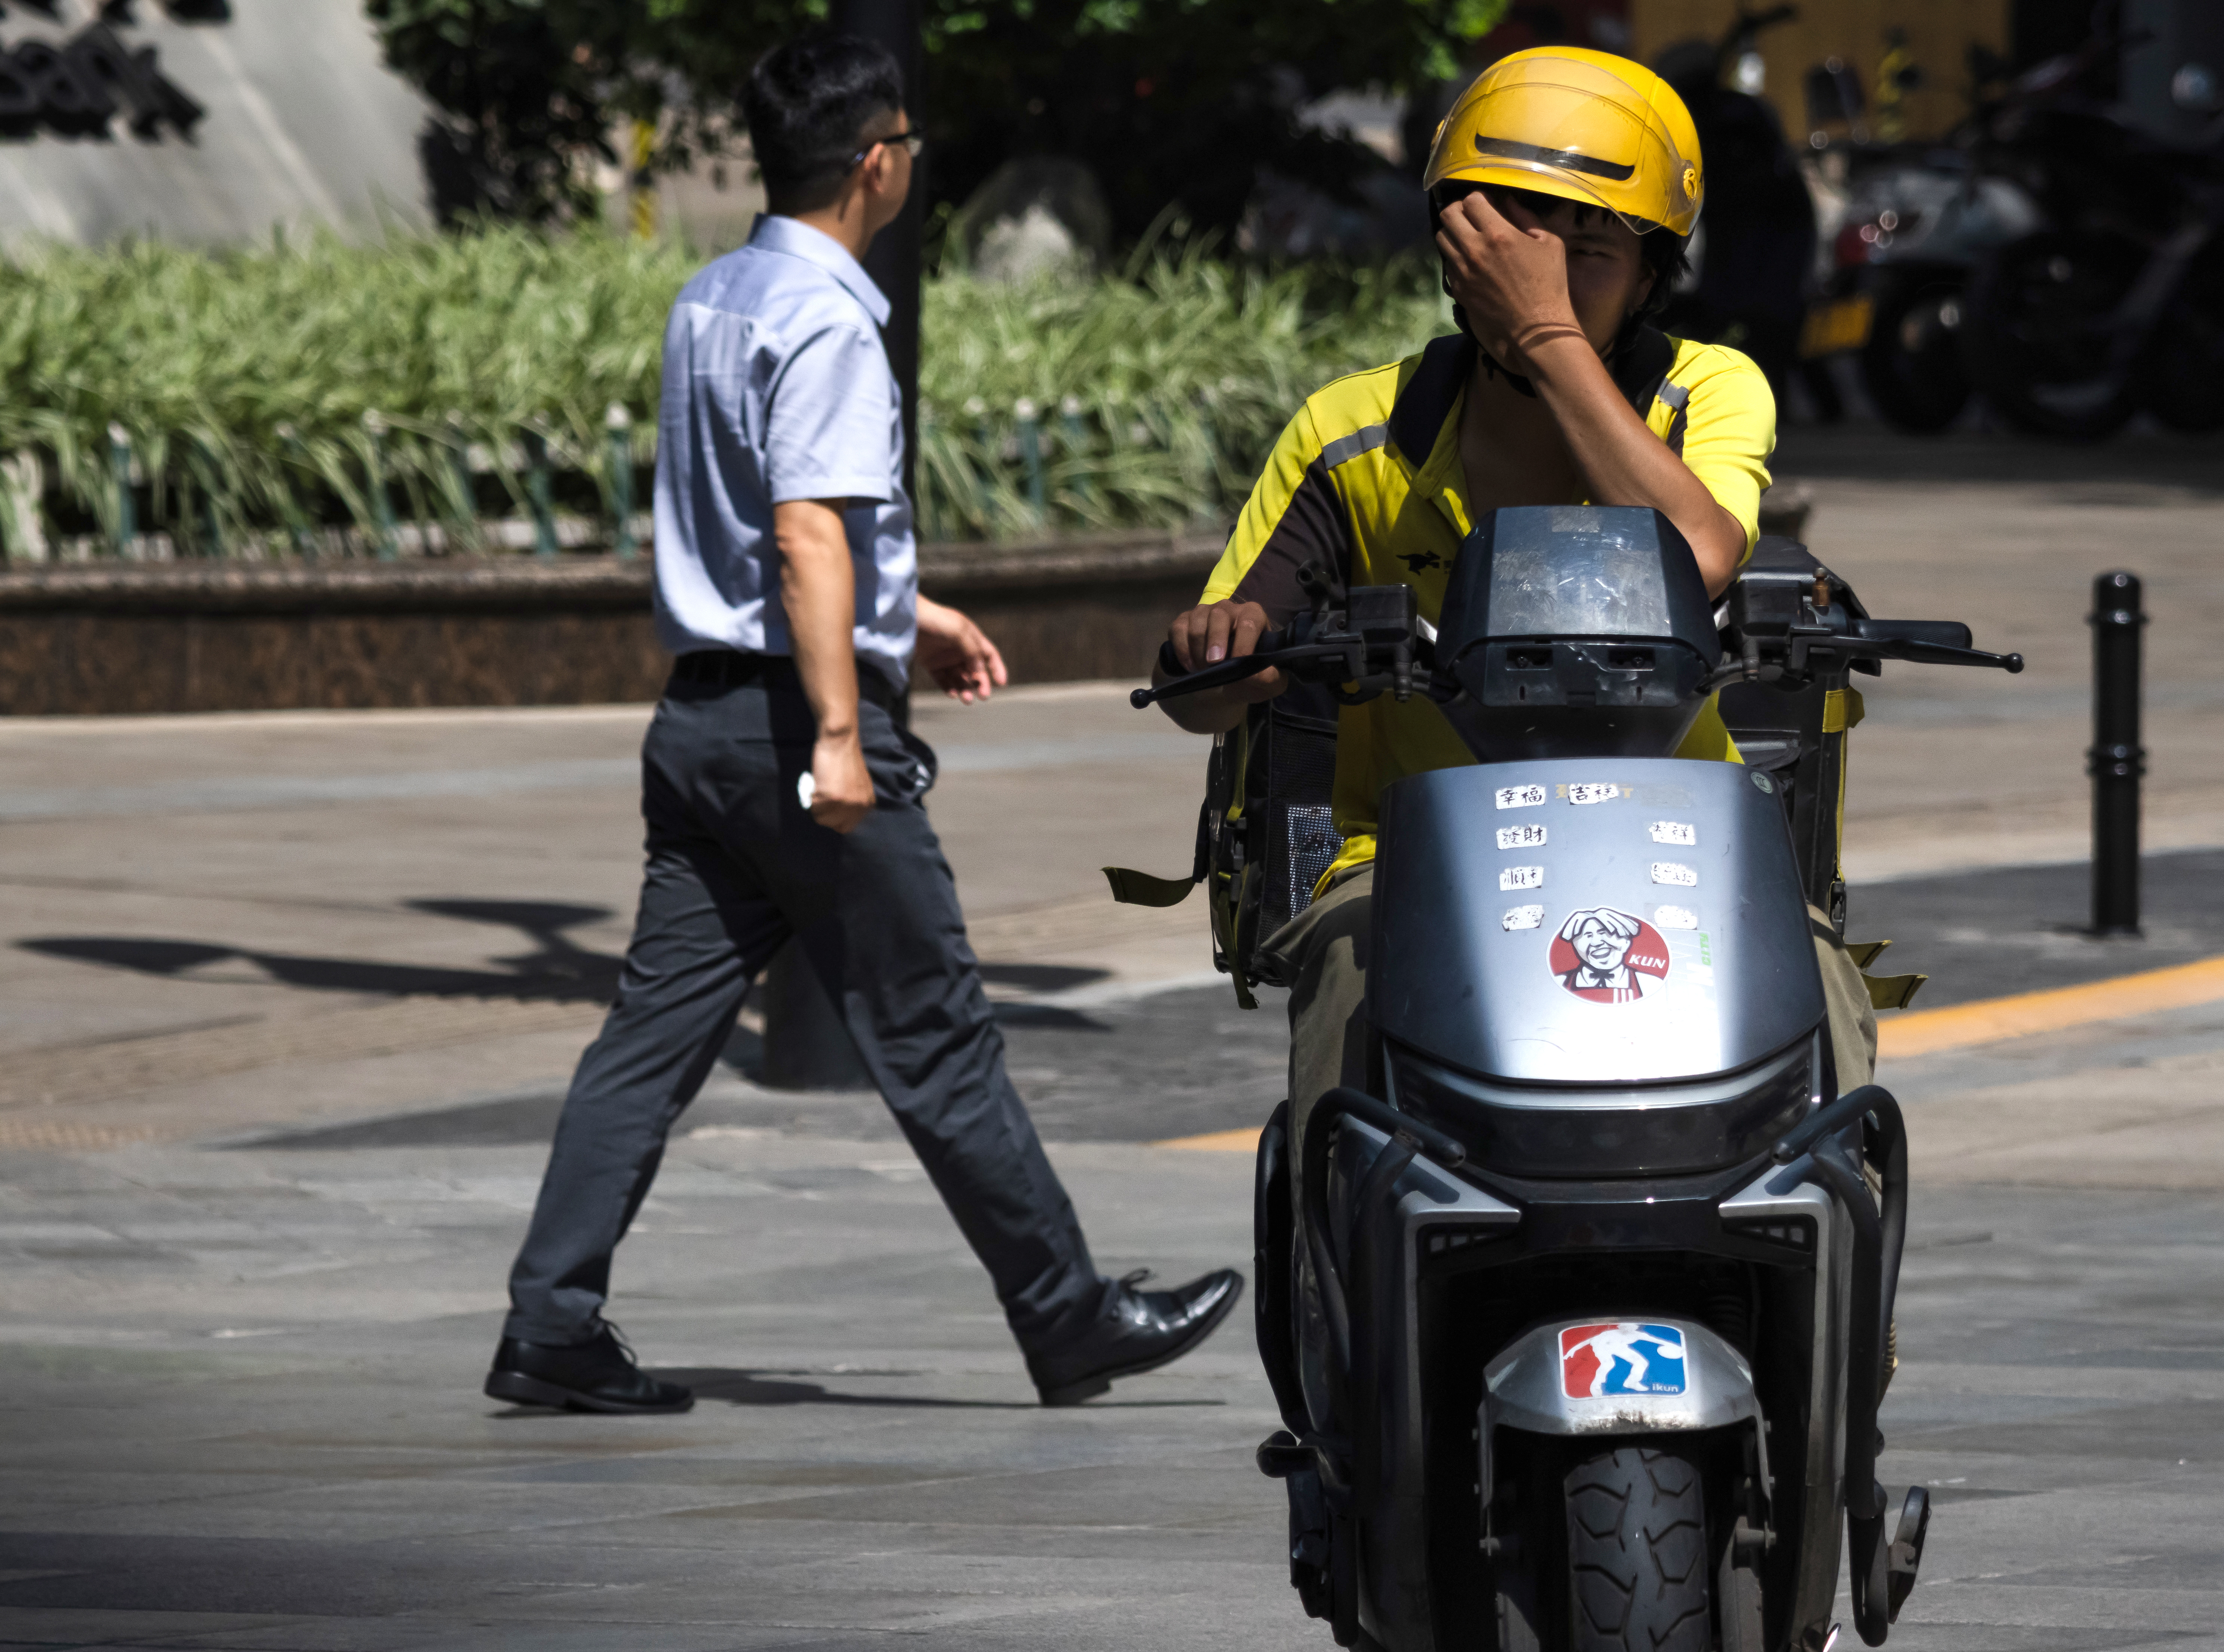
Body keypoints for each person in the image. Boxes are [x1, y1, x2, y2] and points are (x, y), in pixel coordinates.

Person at [486, 31, 1238, 1417]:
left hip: (703, 725)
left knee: (647, 1041)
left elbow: (775, 528)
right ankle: (1070, 1318)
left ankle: (550, 1322)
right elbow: (805, 528)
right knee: (939, 1035)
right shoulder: (834, 318)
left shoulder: (714, 295)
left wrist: (913, 615)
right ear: (876, 162)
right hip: (796, 739)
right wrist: (843, 727)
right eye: (909, 143)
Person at [1154, 44, 1878, 1142]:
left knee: (1821, 996)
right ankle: (1344, 1282)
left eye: (1592, 246)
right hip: (1410, 861)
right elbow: (1214, 685)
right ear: (1457, 245)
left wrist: (1546, 339)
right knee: (1348, 990)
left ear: (1653, 273)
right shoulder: (1353, 432)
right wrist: (1221, 651)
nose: (1544, 271)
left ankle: (1827, 1292)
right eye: (1516, 238)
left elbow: (1700, 553)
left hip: (1686, 843)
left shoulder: (1708, 391)